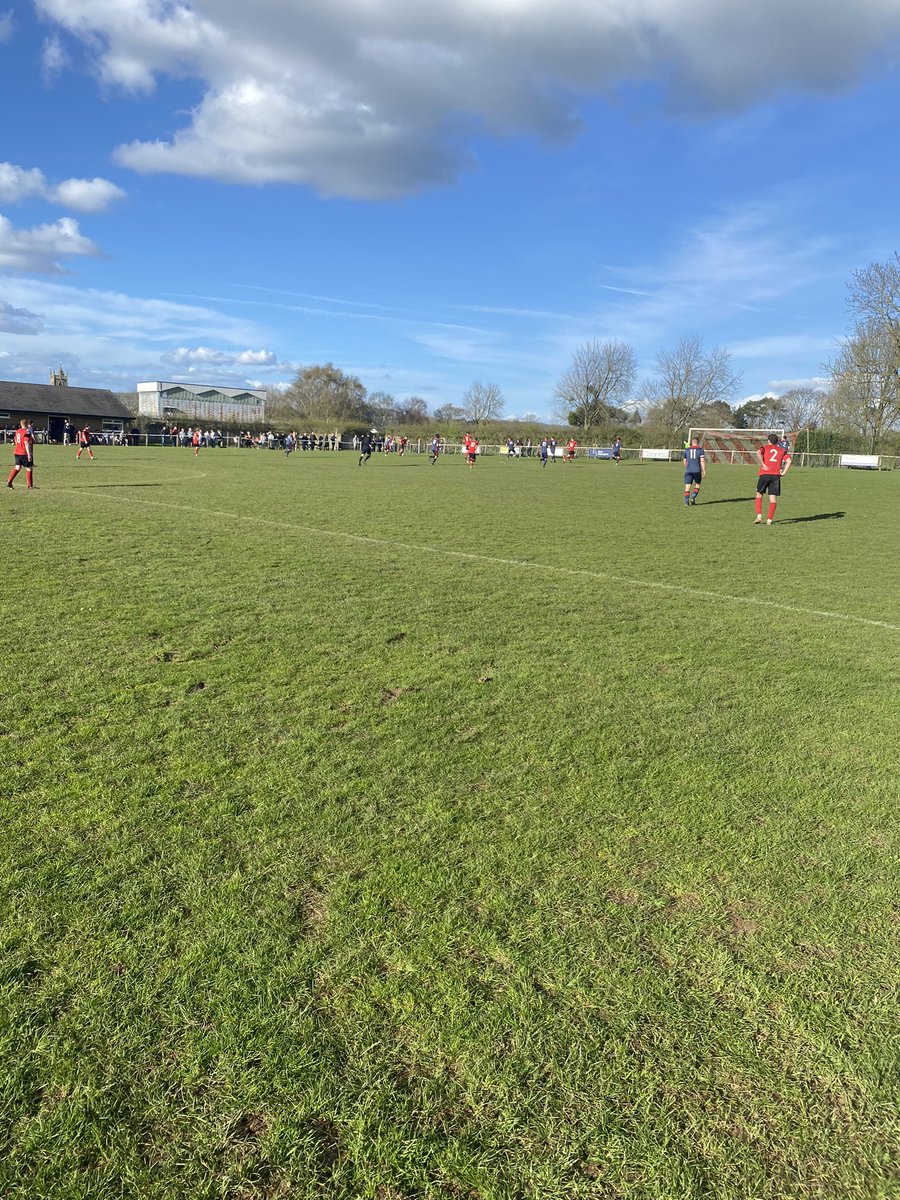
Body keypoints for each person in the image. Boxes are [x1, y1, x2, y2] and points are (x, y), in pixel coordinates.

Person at [755, 434, 792, 525]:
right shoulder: (781, 450)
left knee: (759, 494)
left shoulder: (765, 447)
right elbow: (789, 461)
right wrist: (783, 472)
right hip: (775, 475)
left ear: (769, 441)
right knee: (773, 498)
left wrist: (763, 464)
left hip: (765, 473)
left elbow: (758, 453)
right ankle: (769, 520)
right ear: (777, 442)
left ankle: (759, 516)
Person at [7, 419, 34, 489]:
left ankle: (9, 480)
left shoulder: (17, 431)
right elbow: (26, 443)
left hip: (17, 452)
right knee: (29, 468)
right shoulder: (26, 432)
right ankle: (30, 486)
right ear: (26, 424)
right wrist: (29, 454)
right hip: (24, 453)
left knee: (17, 467)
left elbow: (16, 440)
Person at [682, 436, 706, 505]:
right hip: (697, 470)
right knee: (697, 484)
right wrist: (704, 471)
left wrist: (687, 467)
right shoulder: (700, 450)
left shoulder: (687, 450)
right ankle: (693, 498)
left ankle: (686, 501)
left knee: (687, 486)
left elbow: (684, 462)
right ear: (698, 443)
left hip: (688, 470)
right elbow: (702, 461)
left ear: (692, 443)